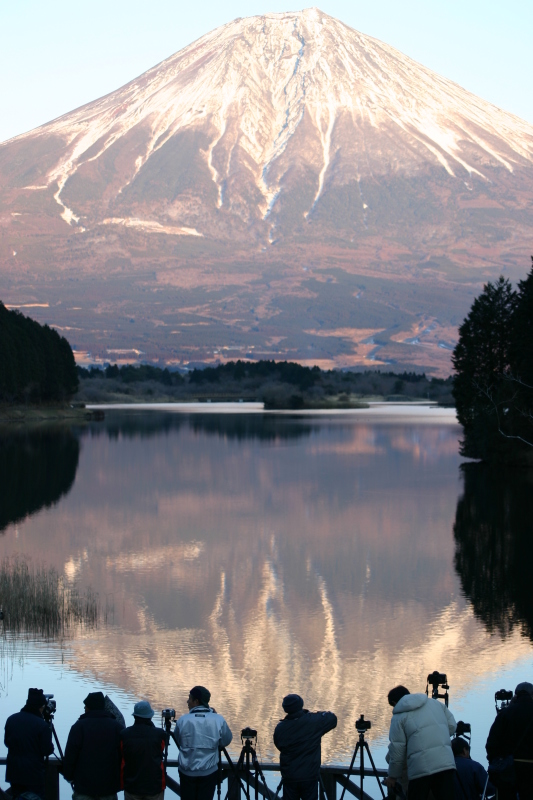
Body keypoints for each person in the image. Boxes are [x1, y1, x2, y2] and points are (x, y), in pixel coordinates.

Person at [384, 685, 456, 800]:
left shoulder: (399, 717)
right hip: (445, 763)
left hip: (420, 769)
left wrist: (392, 777)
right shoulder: (435, 704)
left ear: (394, 702)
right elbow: (452, 726)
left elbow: (397, 751)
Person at [172, 685, 232, 800]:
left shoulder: (183, 720)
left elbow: (178, 740)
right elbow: (226, 740)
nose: (187, 701)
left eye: (190, 698)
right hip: (209, 773)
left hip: (186, 772)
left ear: (196, 701)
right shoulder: (218, 719)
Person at [273, 693, 337, 800]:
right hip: (309, 776)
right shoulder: (314, 722)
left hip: (289, 776)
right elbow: (332, 719)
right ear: (300, 705)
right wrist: (313, 714)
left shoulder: (280, 728)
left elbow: (279, 744)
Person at [63, 691, 125, 800]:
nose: (84, 709)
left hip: (84, 788)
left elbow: (70, 755)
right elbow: (123, 756)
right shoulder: (116, 727)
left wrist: (69, 776)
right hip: (108, 787)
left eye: (85, 706)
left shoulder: (78, 727)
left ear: (90, 707)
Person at [486, 681, 533, 800]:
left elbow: (491, 744)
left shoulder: (505, 714)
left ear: (516, 696)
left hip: (509, 770)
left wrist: (496, 761)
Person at [4, 687, 54, 799]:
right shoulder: (42, 725)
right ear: (41, 707)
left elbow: (7, 742)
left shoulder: (11, 719)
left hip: (14, 773)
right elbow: (47, 750)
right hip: (34, 775)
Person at [120, 700, 167, 800]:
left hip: (131, 785)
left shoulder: (124, 734)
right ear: (150, 716)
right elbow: (161, 749)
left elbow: (122, 755)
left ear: (135, 716)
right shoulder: (159, 734)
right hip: (154, 785)